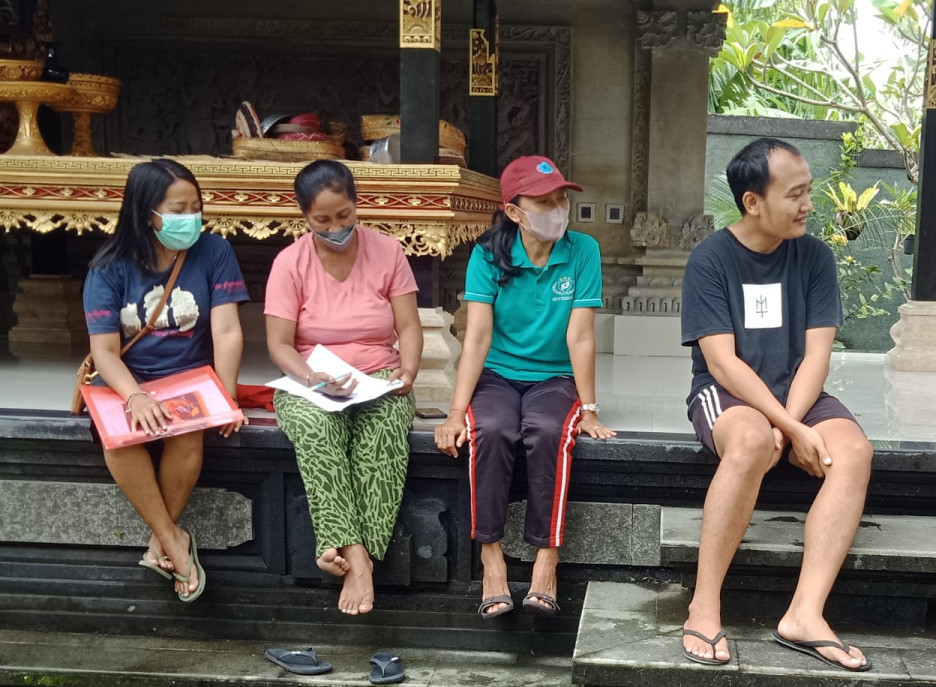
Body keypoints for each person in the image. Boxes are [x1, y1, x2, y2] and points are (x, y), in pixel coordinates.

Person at [678, 138, 875, 670]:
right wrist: (784, 425)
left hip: (799, 391)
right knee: (749, 439)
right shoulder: (711, 259)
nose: (808, 204)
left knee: (853, 451)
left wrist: (791, 422)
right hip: (728, 395)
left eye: (809, 191)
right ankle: (704, 604)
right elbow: (722, 364)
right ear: (752, 202)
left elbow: (817, 355)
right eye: (795, 194)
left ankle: (805, 614)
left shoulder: (813, 255)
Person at [433, 155, 616, 618]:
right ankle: (490, 557)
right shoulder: (488, 255)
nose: (557, 208)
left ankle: (546, 561)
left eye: (560, 199)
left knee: (549, 431)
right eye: (544, 201)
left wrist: (589, 408)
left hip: (554, 378)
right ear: (514, 211)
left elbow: (580, 335)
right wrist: (456, 412)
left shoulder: (583, 251)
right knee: (491, 430)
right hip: (497, 375)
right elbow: (475, 337)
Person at [82, 158, 248, 602]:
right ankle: (175, 540)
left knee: (188, 434)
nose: (189, 216)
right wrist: (135, 396)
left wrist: (226, 395)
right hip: (127, 380)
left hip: (190, 378)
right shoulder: (109, 266)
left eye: (195, 206)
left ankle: (162, 541)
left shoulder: (215, 252)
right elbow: (104, 352)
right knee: (120, 437)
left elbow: (227, 330)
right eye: (177, 208)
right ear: (146, 212)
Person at [265, 160, 422, 616]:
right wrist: (311, 378)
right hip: (309, 380)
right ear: (305, 217)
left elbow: (409, 326)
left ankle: (351, 554)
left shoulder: (388, 252)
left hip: (377, 379)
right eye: (323, 221)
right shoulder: (289, 263)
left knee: (384, 434)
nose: (336, 228)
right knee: (318, 431)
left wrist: (407, 373)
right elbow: (279, 344)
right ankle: (358, 556)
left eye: (345, 216)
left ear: (357, 205)